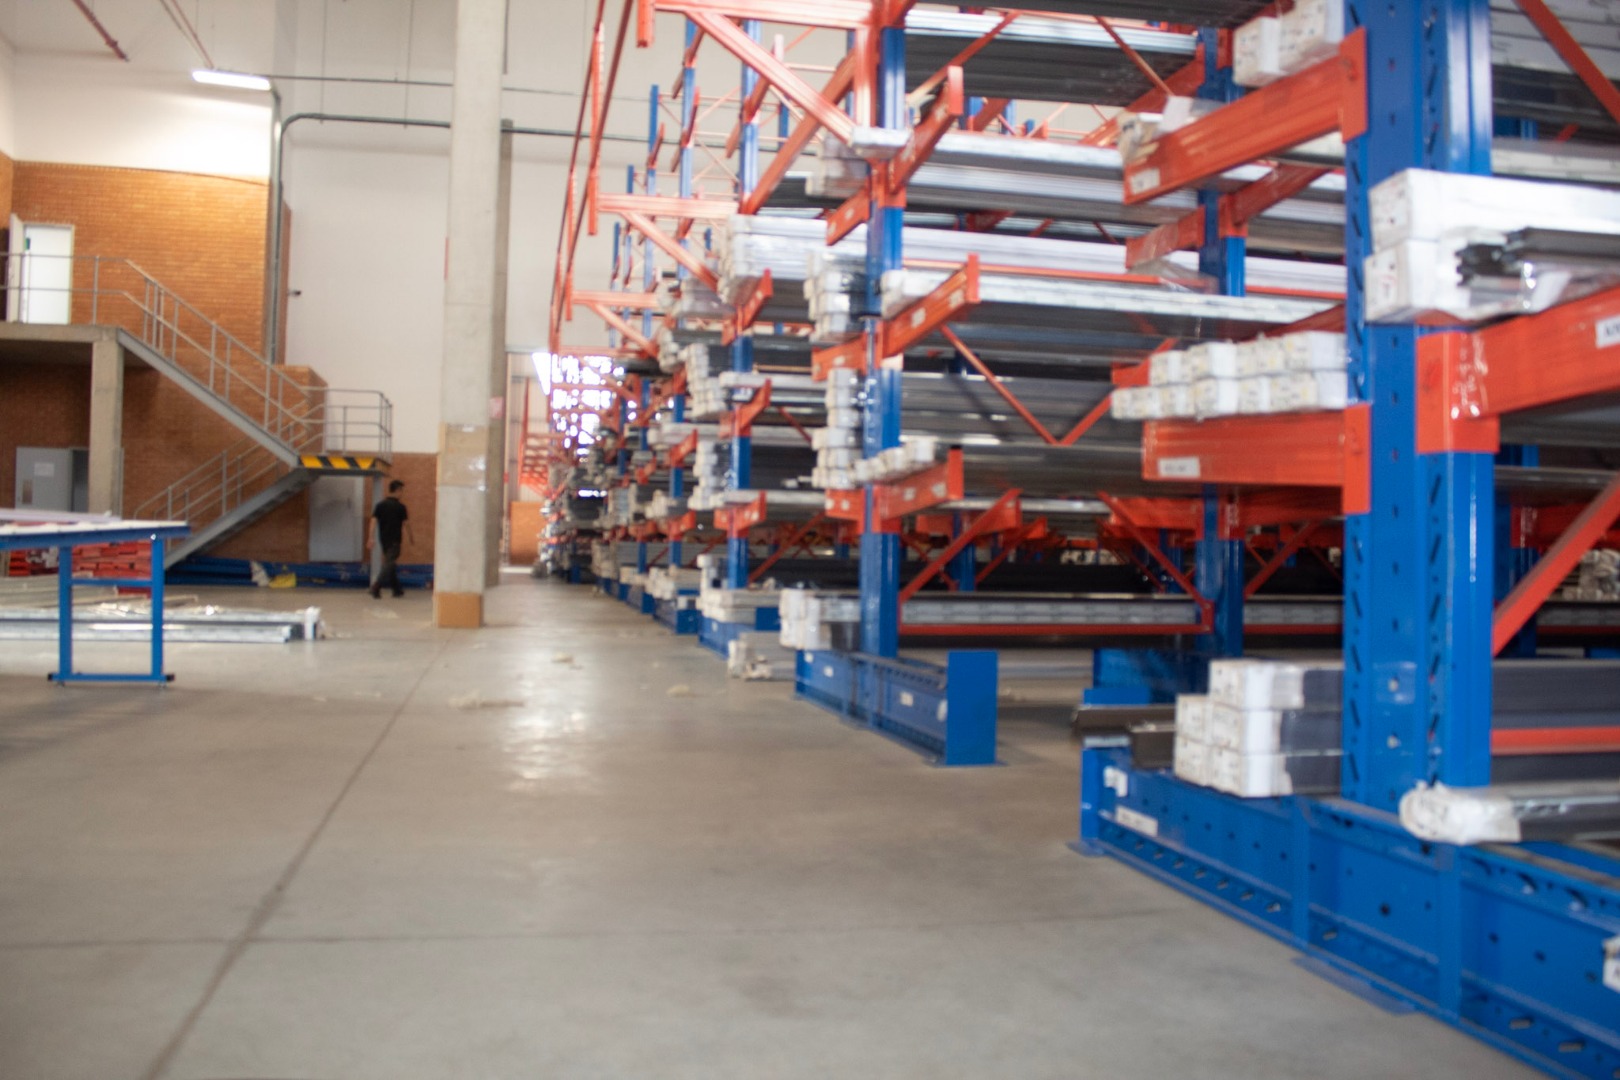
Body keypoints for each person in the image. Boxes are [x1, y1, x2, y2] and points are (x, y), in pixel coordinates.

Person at [366, 479, 414, 598]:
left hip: (384, 539)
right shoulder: (401, 507)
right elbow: (406, 524)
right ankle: (376, 586)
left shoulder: (380, 505)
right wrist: (411, 537)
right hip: (395, 540)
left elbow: (373, 521)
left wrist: (370, 537)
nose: (402, 493)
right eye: (401, 491)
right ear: (398, 490)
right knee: (389, 563)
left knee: (390, 563)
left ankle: (396, 589)